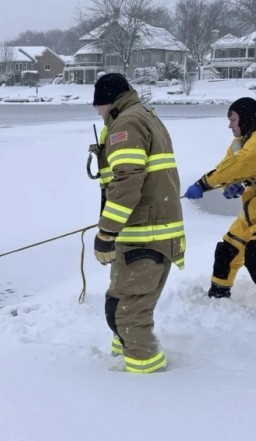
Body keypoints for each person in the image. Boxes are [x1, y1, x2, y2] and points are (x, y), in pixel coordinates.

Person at [91, 73, 186, 373]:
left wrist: (106, 231)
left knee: (129, 315)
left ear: (106, 102)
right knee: (118, 303)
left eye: (97, 107)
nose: (96, 114)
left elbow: (127, 182)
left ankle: (144, 378)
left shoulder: (127, 124)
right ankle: (126, 357)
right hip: (142, 231)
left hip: (147, 234)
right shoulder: (142, 115)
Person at [183, 97, 256, 317]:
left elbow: (246, 162)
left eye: (233, 119)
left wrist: (204, 182)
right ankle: (217, 299)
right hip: (252, 215)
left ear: (247, 118)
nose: (230, 125)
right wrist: (229, 186)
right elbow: (227, 168)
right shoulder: (239, 143)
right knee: (227, 252)